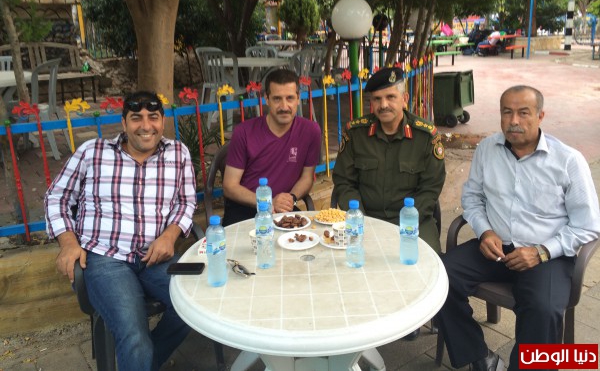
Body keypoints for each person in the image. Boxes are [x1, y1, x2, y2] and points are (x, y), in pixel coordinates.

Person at [436, 85, 600, 371]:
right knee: (438, 279)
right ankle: (479, 357)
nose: (514, 121)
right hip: (495, 247)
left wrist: (542, 252)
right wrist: (485, 231)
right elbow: (472, 198)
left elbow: (588, 226)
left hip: (547, 256)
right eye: (507, 112)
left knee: (543, 309)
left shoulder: (568, 160)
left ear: (540, 116)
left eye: (523, 113)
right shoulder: (487, 149)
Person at [45, 91, 197, 371]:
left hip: (155, 258)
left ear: (162, 121)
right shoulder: (93, 152)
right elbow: (57, 197)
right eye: (136, 118)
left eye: (153, 117)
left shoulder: (178, 154)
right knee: (134, 335)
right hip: (105, 259)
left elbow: (186, 202)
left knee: (197, 305)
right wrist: (68, 243)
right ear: (124, 123)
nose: (146, 126)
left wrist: (169, 236)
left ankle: (143, 363)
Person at [332, 67, 446, 253]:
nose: (383, 105)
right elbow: (344, 182)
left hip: (412, 220)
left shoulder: (425, 136)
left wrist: (405, 222)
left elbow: (430, 188)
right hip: (366, 219)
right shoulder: (356, 134)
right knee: (348, 262)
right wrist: (361, 219)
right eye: (377, 99)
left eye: (391, 97)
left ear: (404, 99)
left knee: (428, 262)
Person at [222, 68, 321, 225]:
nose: (284, 106)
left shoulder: (310, 131)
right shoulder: (244, 132)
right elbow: (229, 186)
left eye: (290, 98)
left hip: (284, 211)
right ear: (266, 99)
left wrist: (291, 198)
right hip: (245, 209)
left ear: (298, 98)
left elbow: (307, 177)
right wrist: (268, 202)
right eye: (277, 99)